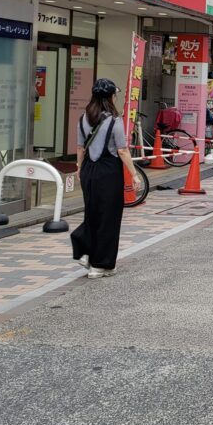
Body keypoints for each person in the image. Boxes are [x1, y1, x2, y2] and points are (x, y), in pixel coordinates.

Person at [72, 78, 138, 279]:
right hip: (108, 171)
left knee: (92, 213)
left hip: (88, 170)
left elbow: (80, 147)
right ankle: (101, 265)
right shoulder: (114, 121)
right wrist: (134, 174)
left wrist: (79, 167)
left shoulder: (83, 118)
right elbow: (122, 150)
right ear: (110, 97)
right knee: (108, 216)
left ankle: (87, 253)